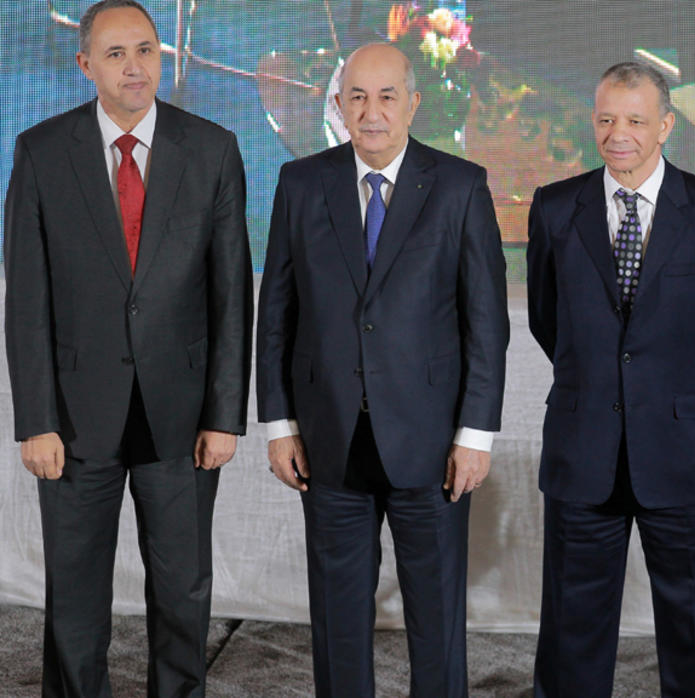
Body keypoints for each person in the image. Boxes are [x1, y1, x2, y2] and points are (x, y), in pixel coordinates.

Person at [3, 1, 252, 695]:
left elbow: (231, 297)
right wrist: (36, 421)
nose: (134, 66)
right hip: (74, 419)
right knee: (75, 596)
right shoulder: (41, 152)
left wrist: (224, 417)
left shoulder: (213, 149)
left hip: (183, 416)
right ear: (85, 64)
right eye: (116, 54)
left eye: (146, 49)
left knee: (183, 591)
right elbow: (27, 302)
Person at [255, 42, 508, 697]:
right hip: (327, 440)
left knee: (437, 618)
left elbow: (486, 322)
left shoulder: (459, 186)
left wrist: (475, 435)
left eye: (387, 96)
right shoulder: (301, 183)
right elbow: (277, 311)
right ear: (338, 106)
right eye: (357, 97)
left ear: (413, 103)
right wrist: (279, 425)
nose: (372, 112)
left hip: (433, 445)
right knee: (337, 622)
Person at [526, 61, 695, 697]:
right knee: (571, 636)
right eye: (605, 119)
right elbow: (549, 322)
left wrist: (672, 389)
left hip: (680, 452)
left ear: (665, 126)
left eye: (634, 120)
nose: (617, 134)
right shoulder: (554, 208)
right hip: (582, 453)